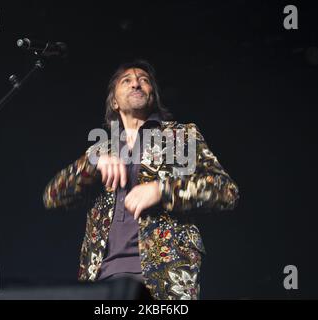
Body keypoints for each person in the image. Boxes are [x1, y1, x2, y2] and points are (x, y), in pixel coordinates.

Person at [43, 60, 239, 300]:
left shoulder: (180, 136)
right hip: (102, 281)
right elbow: (52, 197)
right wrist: (91, 163)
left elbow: (226, 191)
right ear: (114, 102)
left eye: (143, 80)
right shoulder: (102, 150)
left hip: (164, 281)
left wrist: (162, 190)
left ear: (152, 96)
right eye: (126, 80)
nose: (136, 83)